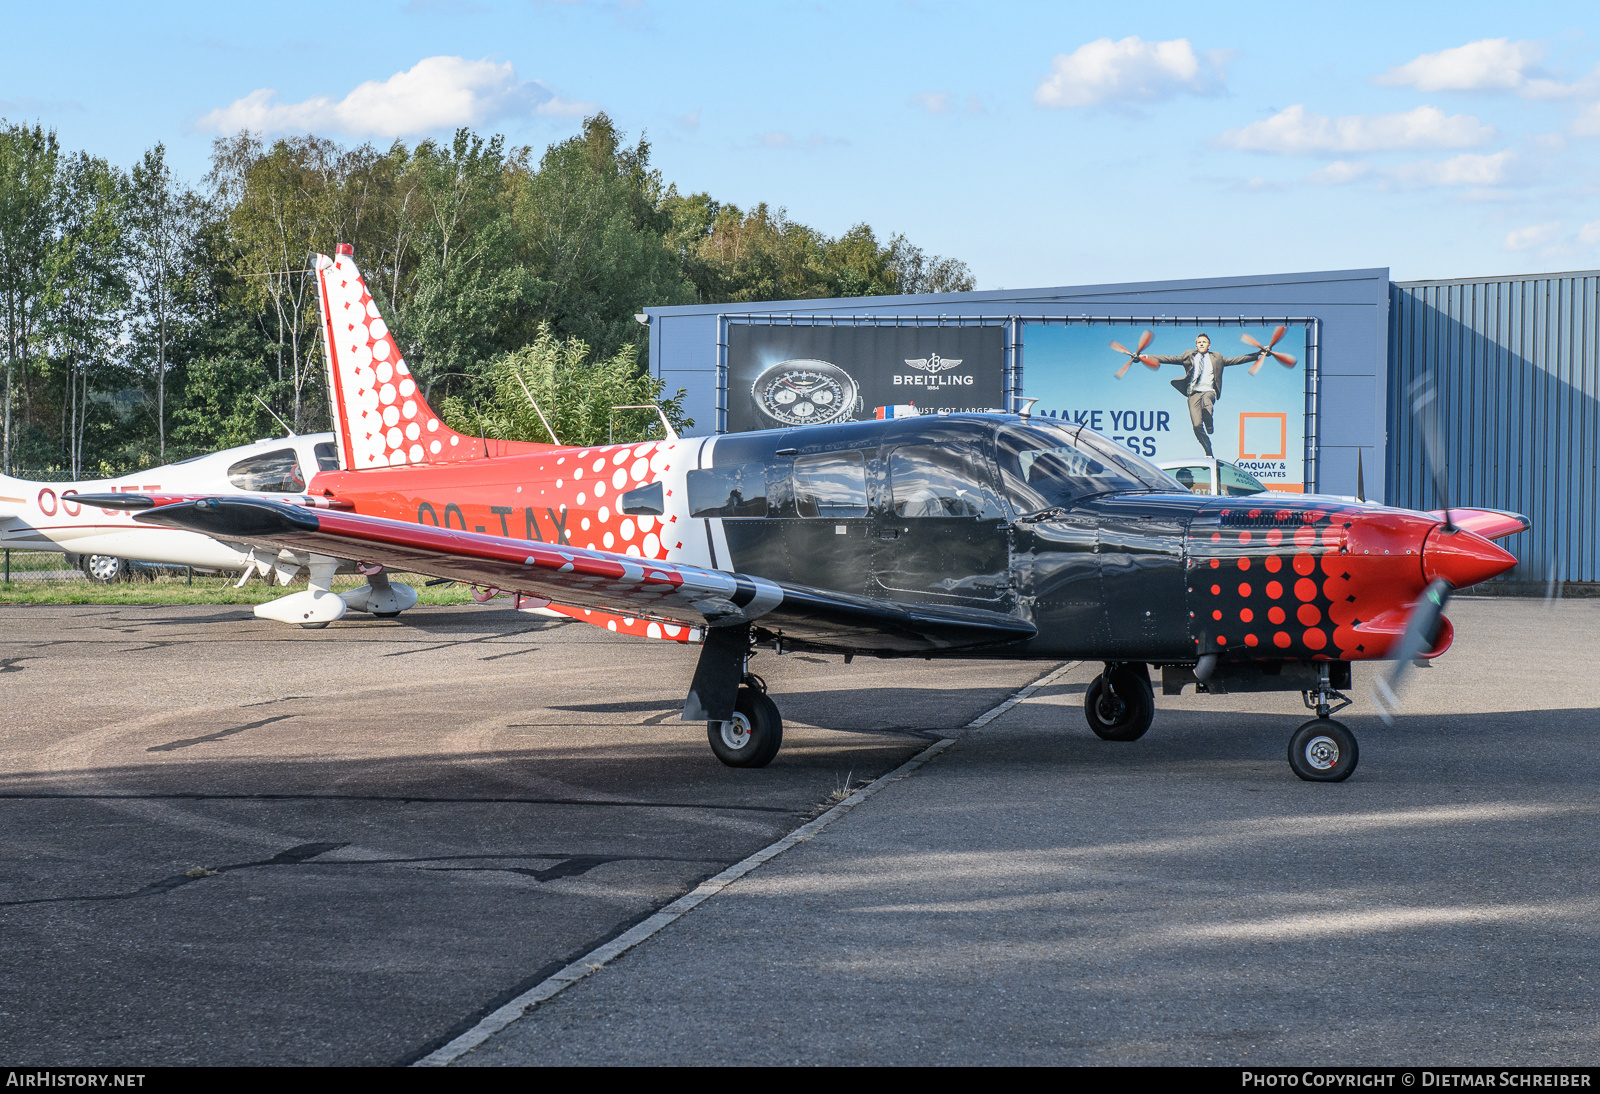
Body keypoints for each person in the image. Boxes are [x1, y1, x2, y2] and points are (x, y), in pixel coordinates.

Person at [1151, 334, 1265, 457]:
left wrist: (1256, 355)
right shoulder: (1188, 355)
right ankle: (1208, 449)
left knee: (1207, 403)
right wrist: (1146, 357)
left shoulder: (1217, 357)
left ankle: (1209, 422)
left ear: (1209, 345)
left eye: (1204, 342)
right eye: (1199, 342)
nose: (1201, 344)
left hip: (1209, 391)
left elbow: (1235, 360)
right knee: (1196, 426)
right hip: (1193, 393)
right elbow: (1168, 358)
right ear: (1196, 345)